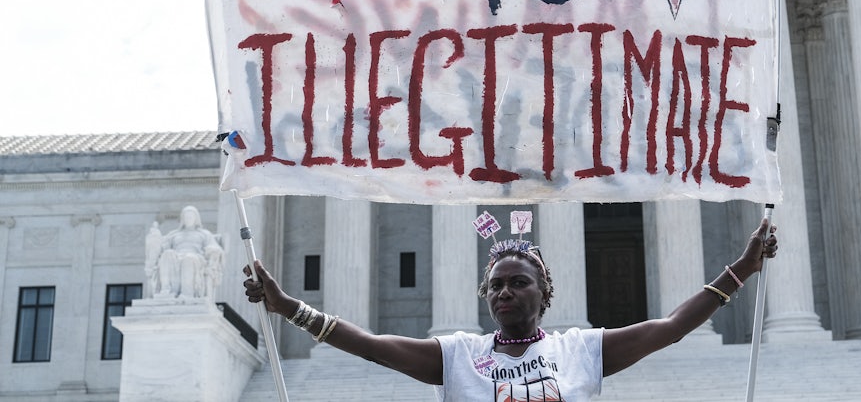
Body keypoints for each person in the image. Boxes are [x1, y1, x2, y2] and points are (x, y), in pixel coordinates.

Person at [244, 217, 777, 400]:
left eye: (518, 283)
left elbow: (669, 327)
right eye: (496, 286)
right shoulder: (459, 358)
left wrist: (742, 270)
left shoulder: (580, 350)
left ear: (544, 294)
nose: (504, 292)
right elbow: (371, 345)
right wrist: (288, 305)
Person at [149, 205, 225, 299]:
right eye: (186, 217)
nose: (188, 219)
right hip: (176, 257)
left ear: (196, 219)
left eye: (191, 217)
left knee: (188, 258)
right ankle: (167, 290)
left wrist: (212, 250)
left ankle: (187, 293)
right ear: (182, 219)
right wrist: (155, 238)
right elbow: (162, 249)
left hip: (196, 258)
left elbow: (215, 247)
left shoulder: (204, 234)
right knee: (167, 254)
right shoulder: (174, 234)